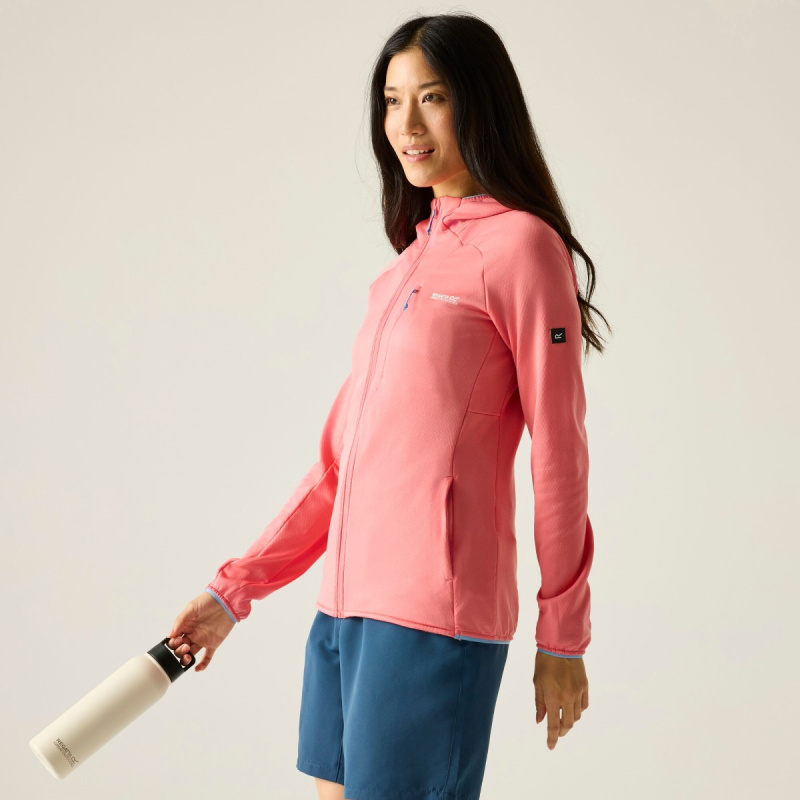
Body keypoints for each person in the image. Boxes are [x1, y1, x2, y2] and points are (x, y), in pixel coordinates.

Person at [167, 12, 611, 800]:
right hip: (343, 611)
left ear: (479, 102)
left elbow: (558, 453)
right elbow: (340, 467)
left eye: (431, 98)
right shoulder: (406, 265)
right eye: (391, 101)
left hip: (434, 617)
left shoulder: (522, 247)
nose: (406, 124)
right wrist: (232, 591)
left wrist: (563, 635)